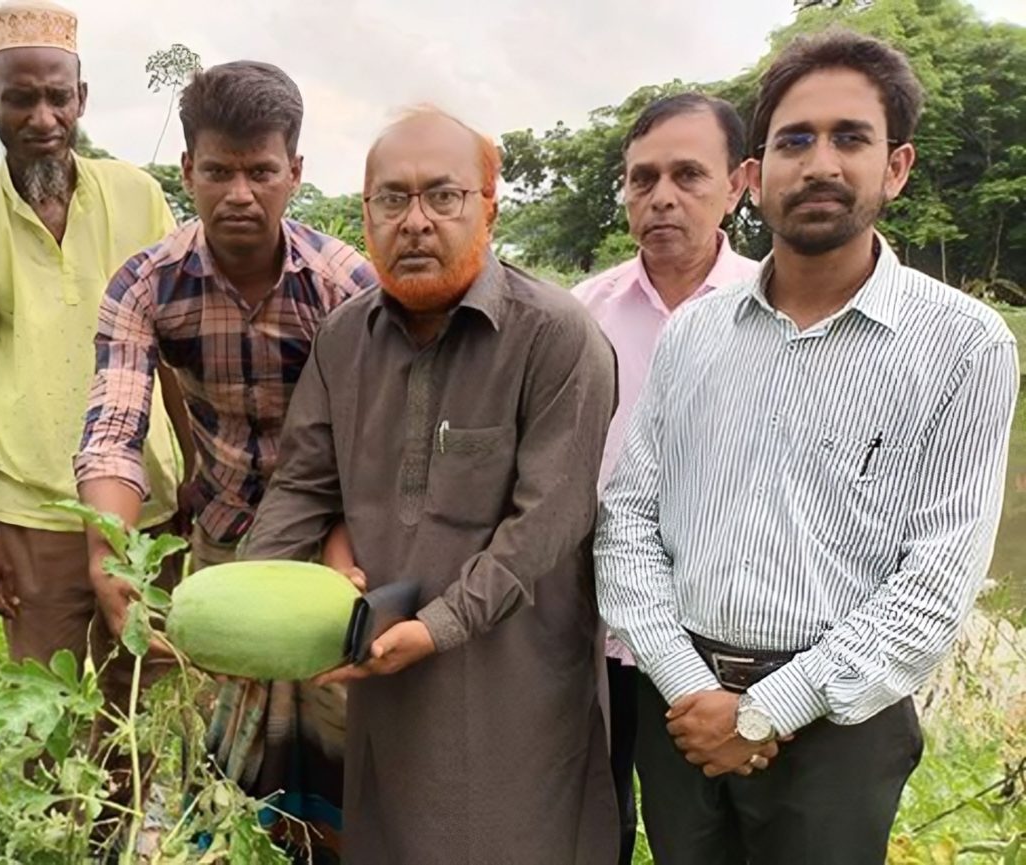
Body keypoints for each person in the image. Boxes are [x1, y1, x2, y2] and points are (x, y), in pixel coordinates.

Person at [596, 29, 1019, 865]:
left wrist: (764, 711)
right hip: (680, 709)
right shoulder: (696, 334)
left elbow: (937, 581)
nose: (820, 164)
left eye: (849, 138)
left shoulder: (964, 345)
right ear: (756, 177)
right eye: (795, 141)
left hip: (837, 727)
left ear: (896, 167)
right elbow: (628, 518)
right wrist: (690, 687)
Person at [240, 105, 619, 863]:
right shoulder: (345, 339)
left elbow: (546, 524)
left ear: (489, 207)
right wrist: (242, 600)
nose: (415, 221)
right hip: (389, 677)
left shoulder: (555, 335)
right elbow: (304, 485)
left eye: (443, 196)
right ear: (366, 214)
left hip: (520, 682)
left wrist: (439, 626)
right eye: (392, 199)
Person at [73, 60, 376, 857]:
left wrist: (344, 548)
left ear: (295, 173)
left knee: (344, 735)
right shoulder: (146, 286)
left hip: (332, 548)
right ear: (187, 172)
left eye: (260, 172)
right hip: (225, 537)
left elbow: (375, 442)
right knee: (231, 739)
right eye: (218, 171)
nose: (239, 194)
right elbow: (114, 427)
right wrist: (111, 559)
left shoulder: (344, 285)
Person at [0, 0, 183, 702]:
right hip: (35, 519)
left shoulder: (138, 197)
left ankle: (125, 791)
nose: (43, 119)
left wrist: (197, 479)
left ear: (81, 98)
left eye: (58, 98)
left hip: (147, 506)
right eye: (20, 99)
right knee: (45, 716)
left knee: (143, 704)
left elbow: (176, 350)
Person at [570, 92, 757, 864]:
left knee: (714, 839)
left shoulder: (775, 309)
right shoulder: (580, 317)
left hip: (730, 636)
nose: (662, 197)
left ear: (738, 184)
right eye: (642, 178)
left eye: (688, 175)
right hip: (597, 628)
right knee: (593, 821)